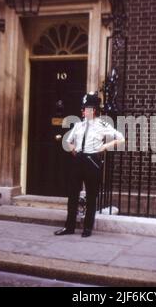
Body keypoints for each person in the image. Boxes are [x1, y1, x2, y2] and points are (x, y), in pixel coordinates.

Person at [54, 91, 125, 237]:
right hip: (79, 160)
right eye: (82, 108)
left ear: (93, 110)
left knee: (91, 196)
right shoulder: (78, 125)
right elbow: (68, 141)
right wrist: (73, 149)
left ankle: (87, 228)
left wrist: (105, 147)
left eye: (84, 108)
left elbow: (121, 138)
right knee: (72, 195)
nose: (82, 110)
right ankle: (69, 227)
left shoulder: (102, 124)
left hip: (92, 161)